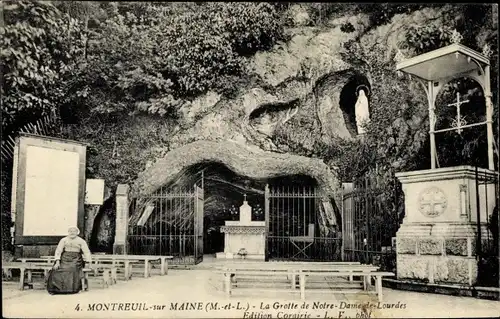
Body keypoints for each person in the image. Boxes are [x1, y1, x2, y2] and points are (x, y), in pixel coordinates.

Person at [47, 226, 92, 294]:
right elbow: (58, 250)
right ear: (68, 232)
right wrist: (57, 261)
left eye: (74, 231)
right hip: (64, 258)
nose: (72, 233)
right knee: (57, 269)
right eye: (70, 231)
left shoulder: (81, 241)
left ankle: (71, 289)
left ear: (77, 232)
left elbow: (86, 251)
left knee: (72, 269)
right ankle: (56, 289)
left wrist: (89, 262)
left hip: (76, 259)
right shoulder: (63, 240)